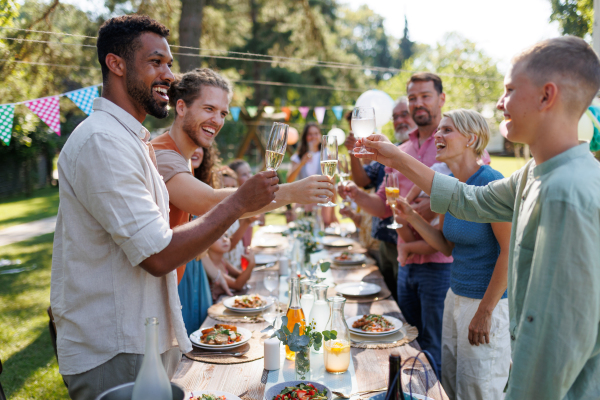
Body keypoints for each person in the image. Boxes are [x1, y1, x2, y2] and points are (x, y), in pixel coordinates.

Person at [352, 36, 600, 400]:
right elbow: (468, 200)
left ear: (547, 96)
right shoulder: (534, 173)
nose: (500, 103)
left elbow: (558, 335)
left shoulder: (565, 191)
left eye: (510, 90)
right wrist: (395, 157)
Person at [50, 15, 278, 400]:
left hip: (142, 339)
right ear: (116, 64)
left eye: (169, 64)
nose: (169, 75)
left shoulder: (131, 139)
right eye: (156, 62)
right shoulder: (102, 142)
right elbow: (157, 254)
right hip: (115, 349)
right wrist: (239, 201)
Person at [151, 67, 335, 281]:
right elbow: (210, 203)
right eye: (209, 109)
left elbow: (231, 210)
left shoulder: (183, 159)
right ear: (181, 108)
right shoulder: (163, 155)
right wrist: (292, 192)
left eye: (222, 113)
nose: (217, 121)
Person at [392, 109, 511, 400]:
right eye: (439, 130)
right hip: (454, 298)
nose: (437, 135)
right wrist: (412, 217)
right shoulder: (451, 188)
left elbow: (510, 252)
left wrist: (484, 312)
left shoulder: (493, 183)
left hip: (486, 305)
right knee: (452, 385)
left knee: (478, 391)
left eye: (447, 130)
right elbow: (446, 245)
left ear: (471, 139)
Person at [340, 73, 453, 377]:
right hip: (406, 262)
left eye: (425, 96)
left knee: (434, 346)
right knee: (407, 345)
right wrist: (355, 195)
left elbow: (461, 191)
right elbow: (381, 205)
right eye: (412, 97)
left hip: (440, 265)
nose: (418, 104)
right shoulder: (399, 149)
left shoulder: (454, 140)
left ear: (441, 99)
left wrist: (416, 210)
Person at [342, 97, 417, 301]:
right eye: (396, 117)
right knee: (387, 300)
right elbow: (364, 180)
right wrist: (352, 154)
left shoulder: (421, 150)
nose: (400, 120)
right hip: (385, 239)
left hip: (414, 246)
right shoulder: (389, 150)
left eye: (405, 114)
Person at [176, 147, 215, 335]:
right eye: (191, 145)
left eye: (200, 146)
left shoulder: (205, 184)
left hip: (197, 268)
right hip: (181, 268)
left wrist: (217, 276)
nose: (196, 151)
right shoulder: (175, 180)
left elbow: (202, 248)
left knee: (203, 330)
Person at [229, 159, 262, 248]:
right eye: (244, 174)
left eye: (250, 172)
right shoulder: (233, 204)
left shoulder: (251, 198)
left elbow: (262, 223)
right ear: (234, 179)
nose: (250, 177)